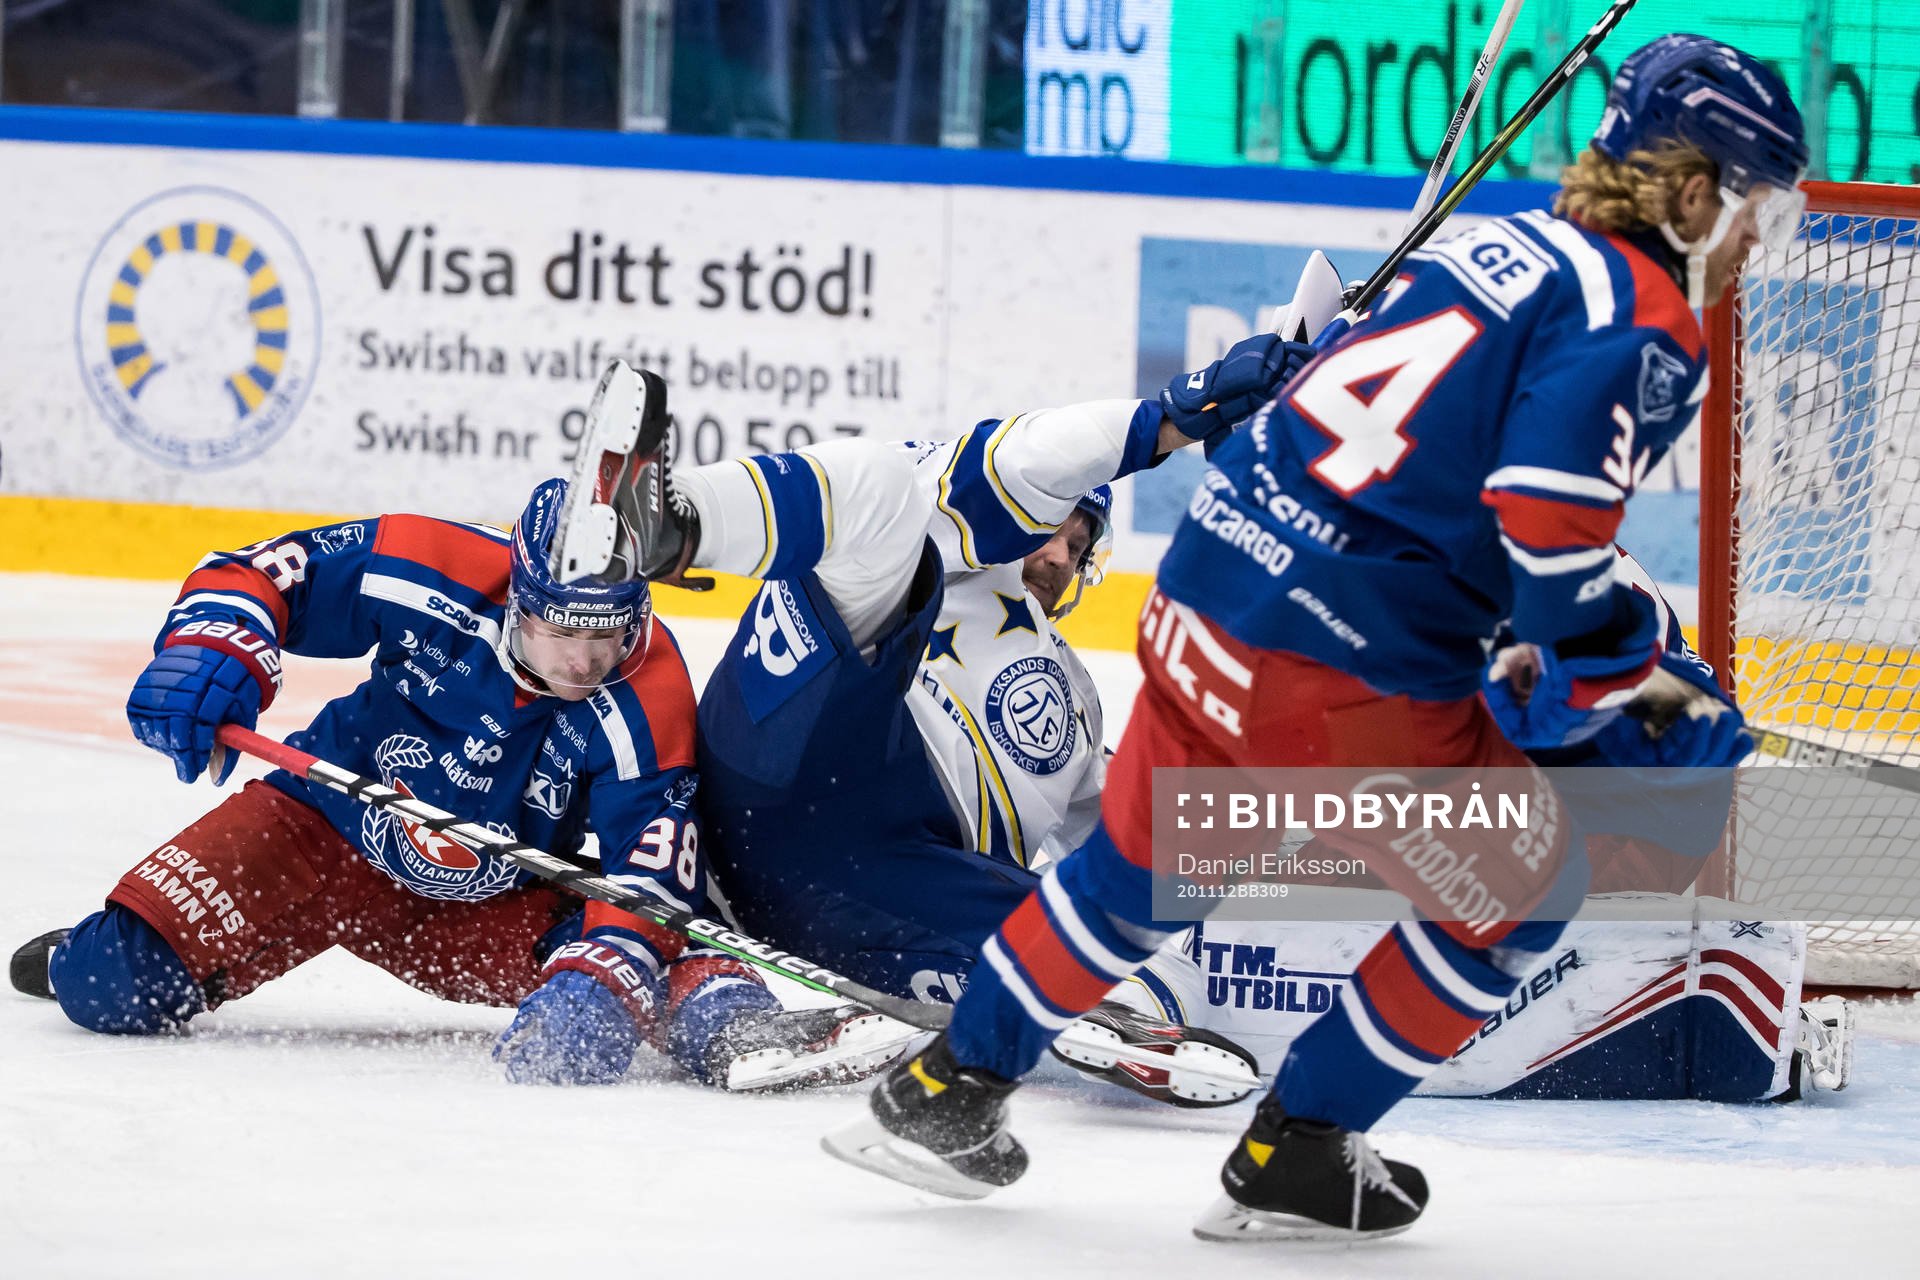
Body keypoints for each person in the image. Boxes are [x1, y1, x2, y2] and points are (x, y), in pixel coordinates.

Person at [821, 32, 1810, 1240]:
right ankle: (1303, 1141)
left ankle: (941, 1090)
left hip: (1200, 596)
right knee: (1520, 887)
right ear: (1696, 190)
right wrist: (1619, 681)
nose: (1763, 235)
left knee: (1137, 879)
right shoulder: (1642, 314)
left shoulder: (1493, 241)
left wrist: (1524, 644)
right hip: (1332, 667)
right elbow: (1549, 533)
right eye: (1760, 199)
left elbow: (1385, 453)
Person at [547, 334, 1305, 1096]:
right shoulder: (948, 540)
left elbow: (1142, 843)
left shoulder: (1081, 701)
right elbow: (1025, 463)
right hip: (778, 773)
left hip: (871, 894)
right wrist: (1173, 416)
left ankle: (1119, 1015)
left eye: (1081, 547)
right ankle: (670, 526)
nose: (1058, 556)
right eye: (1056, 528)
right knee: (878, 490)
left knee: (1132, 915)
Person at [7, 477, 846, 1090]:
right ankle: (111, 942)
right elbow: (264, 572)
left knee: (639, 948)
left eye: (611, 631)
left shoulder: (649, 689)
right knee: (107, 986)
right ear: (519, 595)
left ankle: (730, 1012)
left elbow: (652, 864)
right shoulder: (430, 563)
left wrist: (606, 967)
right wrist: (213, 644)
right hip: (322, 828)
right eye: (566, 630)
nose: (590, 661)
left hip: (490, 896)